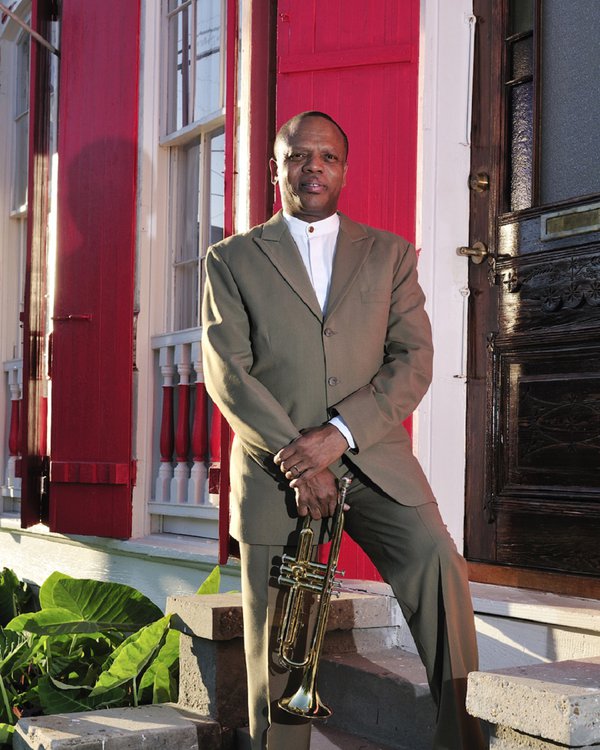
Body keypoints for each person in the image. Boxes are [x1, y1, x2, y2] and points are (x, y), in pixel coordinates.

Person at [201, 111, 487, 750]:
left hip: (374, 457)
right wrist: (298, 458)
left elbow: (413, 361)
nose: (313, 168)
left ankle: (461, 741)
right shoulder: (232, 258)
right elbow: (228, 373)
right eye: (299, 156)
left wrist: (337, 435)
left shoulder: (389, 254)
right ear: (276, 169)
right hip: (276, 469)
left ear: (344, 169)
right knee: (279, 651)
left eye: (327, 157)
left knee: (438, 564)